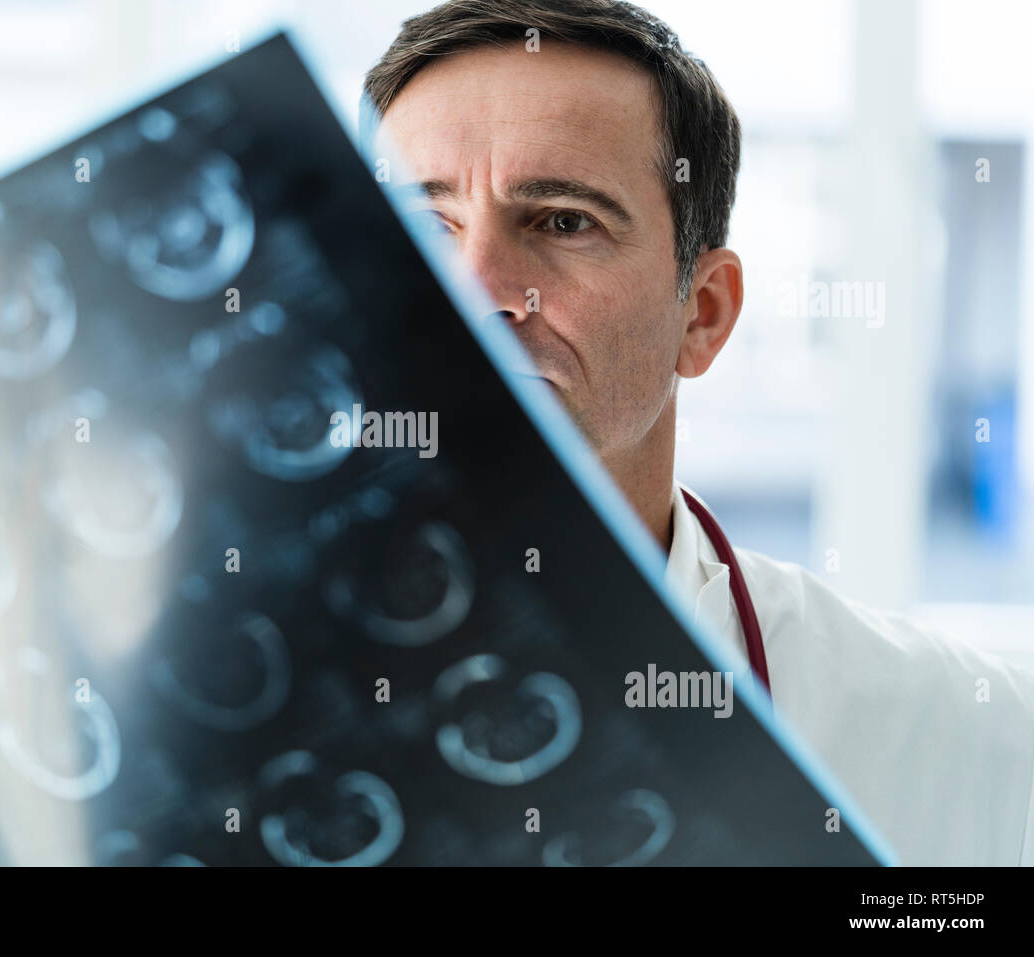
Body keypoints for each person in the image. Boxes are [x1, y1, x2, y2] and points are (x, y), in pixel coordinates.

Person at [361, 0, 1034, 865]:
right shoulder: (183, 682)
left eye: (564, 220)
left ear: (704, 316)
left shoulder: (959, 738)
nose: (479, 287)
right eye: (425, 224)